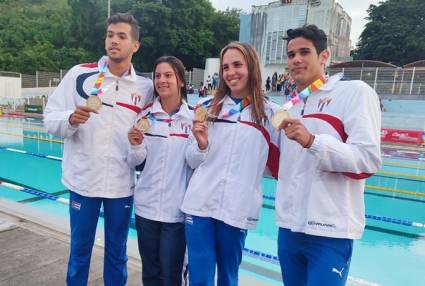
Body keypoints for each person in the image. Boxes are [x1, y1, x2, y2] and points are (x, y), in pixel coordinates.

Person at [44, 13, 154, 286]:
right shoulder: (80, 74)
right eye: (110, 35)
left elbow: (149, 132)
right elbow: (50, 118)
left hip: (120, 185)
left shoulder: (145, 87)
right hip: (83, 181)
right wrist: (70, 119)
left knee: (117, 254)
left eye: (121, 36)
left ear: (135, 45)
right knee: (80, 252)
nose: (113, 41)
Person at [275, 25, 381, 286]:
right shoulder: (292, 104)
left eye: (304, 52)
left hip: (329, 231)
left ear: (324, 56)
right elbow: (280, 167)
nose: (296, 59)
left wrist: (312, 141)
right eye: (291, 55)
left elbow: (367, 160)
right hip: (289, 228)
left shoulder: (354, 92)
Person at [181, 41, 280, 286]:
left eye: (237, 65)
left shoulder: (269, 115)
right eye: (225, 67)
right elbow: (191, 159)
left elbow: (279, 166)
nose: (230, 72)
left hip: (236, 209)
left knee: (228, 278)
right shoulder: (206, 109)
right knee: (199, 279)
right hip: (200, 205)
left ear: (252, 67)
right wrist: (201, 144)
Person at [127, 56, 199, 286]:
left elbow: (196, 162)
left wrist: (202, 143)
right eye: (158, 75)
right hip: (146, 208)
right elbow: (135, 161)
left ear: (180, 81)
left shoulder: (193, 119)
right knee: (150, 272)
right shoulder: (145, 116)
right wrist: (136, 144)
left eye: (168, 75)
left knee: (171, 276)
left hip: (175, 212)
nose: (162, 80)